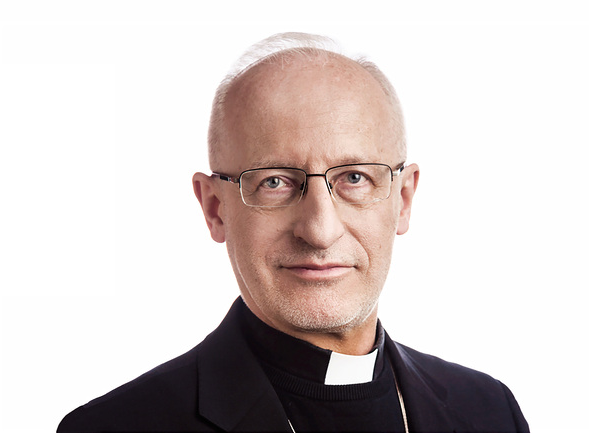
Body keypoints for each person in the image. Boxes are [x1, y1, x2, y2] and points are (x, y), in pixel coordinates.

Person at [58, 32, 529, 433]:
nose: (320, 231)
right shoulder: (115, 426)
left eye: (355, 178)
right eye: (275, 182)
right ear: (215, 208)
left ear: (403, 199)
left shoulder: (489, 411)